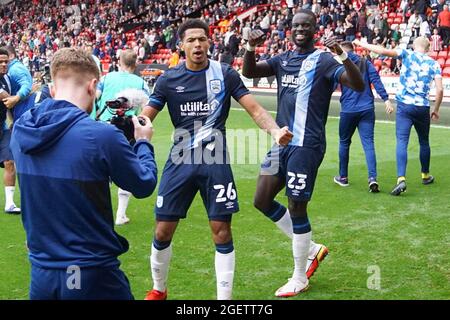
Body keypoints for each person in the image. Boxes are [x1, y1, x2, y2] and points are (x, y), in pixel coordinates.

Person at [140, 19, 293, 300]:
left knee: (221, 231)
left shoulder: (225, 74)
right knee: (162, 231)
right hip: (180, 159)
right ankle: (159, 289)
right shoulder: (168, 79)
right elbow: (146, 116)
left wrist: (274, 130)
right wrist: (131, 125)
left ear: (209, 43)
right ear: (181, 46)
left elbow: (255, 109)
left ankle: (224, 300)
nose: (198, 45)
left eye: (202, 39)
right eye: (191, 40)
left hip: (215, 161)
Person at [10, 48, 157, 300]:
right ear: (92, 86)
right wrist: (143, 142)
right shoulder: (101, 136)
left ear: (53, 89)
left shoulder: (21, 132)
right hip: (86, 272)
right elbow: (144, 183)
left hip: (41, 272)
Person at [242, 10, 364, 297]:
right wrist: (249, 46)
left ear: (313, 29)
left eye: (305, 25)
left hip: (306, 144)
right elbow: (249, 72)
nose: (299, 29)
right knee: (261, 200)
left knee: (297, 206)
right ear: (290, 29)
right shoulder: (283, 59)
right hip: (282, 141)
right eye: (296, 25)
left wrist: (343, 56)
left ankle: (299, 277)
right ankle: (311, 248)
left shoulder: (323, 61)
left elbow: (357, 85)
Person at [353, 37, 443, 196]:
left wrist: (361, 44)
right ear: (428, 48)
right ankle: (425, 175)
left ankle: (401, 178)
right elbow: (440, 90)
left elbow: (381, 51)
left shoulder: (407, 54)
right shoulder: (434, 63)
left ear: (414, 45)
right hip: (422, 106)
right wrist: (435, 109)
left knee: (402, 141)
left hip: (405, 106)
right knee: (424, 141)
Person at [96, 49, 151, 225]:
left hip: (104, 126)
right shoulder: (141, 82)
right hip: (128, 128)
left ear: (119, 61)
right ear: (135, 64)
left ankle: (98, 212)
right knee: (126, 166)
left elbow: (96, 97)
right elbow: (147, 106)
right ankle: (120, 215)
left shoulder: (106, 78)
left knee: (99, 168)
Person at [333, 41, 393, 192]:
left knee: (344, 142)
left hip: (348, 109)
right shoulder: (365, 63)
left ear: (342, 51)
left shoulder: (340, 64)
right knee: (368, 144)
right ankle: (372, 178)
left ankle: (343, 177)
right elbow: (376, 81)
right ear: (353, 49)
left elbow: (329, 85)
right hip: (367, 108)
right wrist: (386, 99)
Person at [0, 48, 20, 214]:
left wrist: (12, 121)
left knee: (9, 161)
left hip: (3, 126)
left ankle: (10, 203)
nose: (4, 64)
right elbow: (7, 99)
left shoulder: (6, 78)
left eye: (6, 61)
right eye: (0, 61)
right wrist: (25, 93)